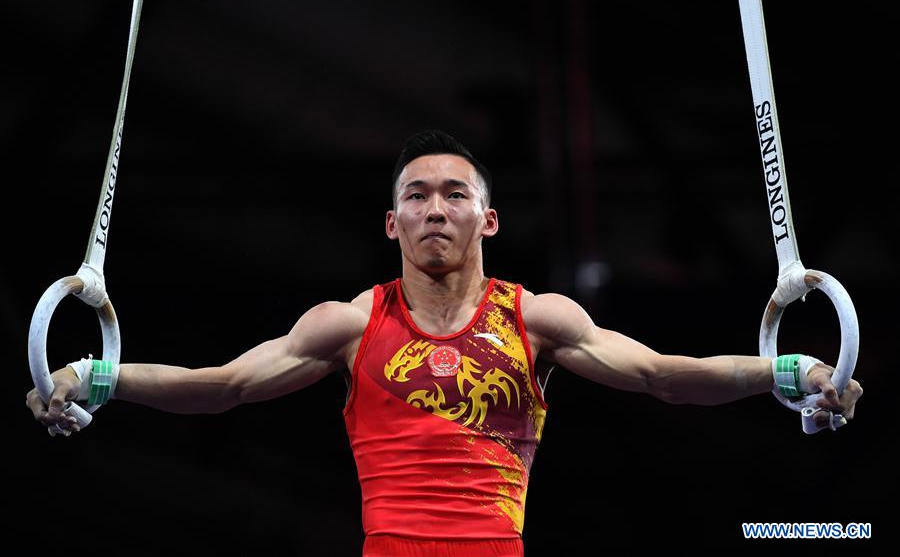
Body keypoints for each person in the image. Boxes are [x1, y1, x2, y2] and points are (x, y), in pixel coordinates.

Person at [27, 130, 863, 557]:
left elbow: (661, 376)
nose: (436, 208)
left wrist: (789, 370)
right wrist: (93, 376)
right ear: (392, 223)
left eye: (454, 194)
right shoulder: (349, 325)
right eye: (417, 196)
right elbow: (221, 386)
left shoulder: (536, 320)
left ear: (486, 218)